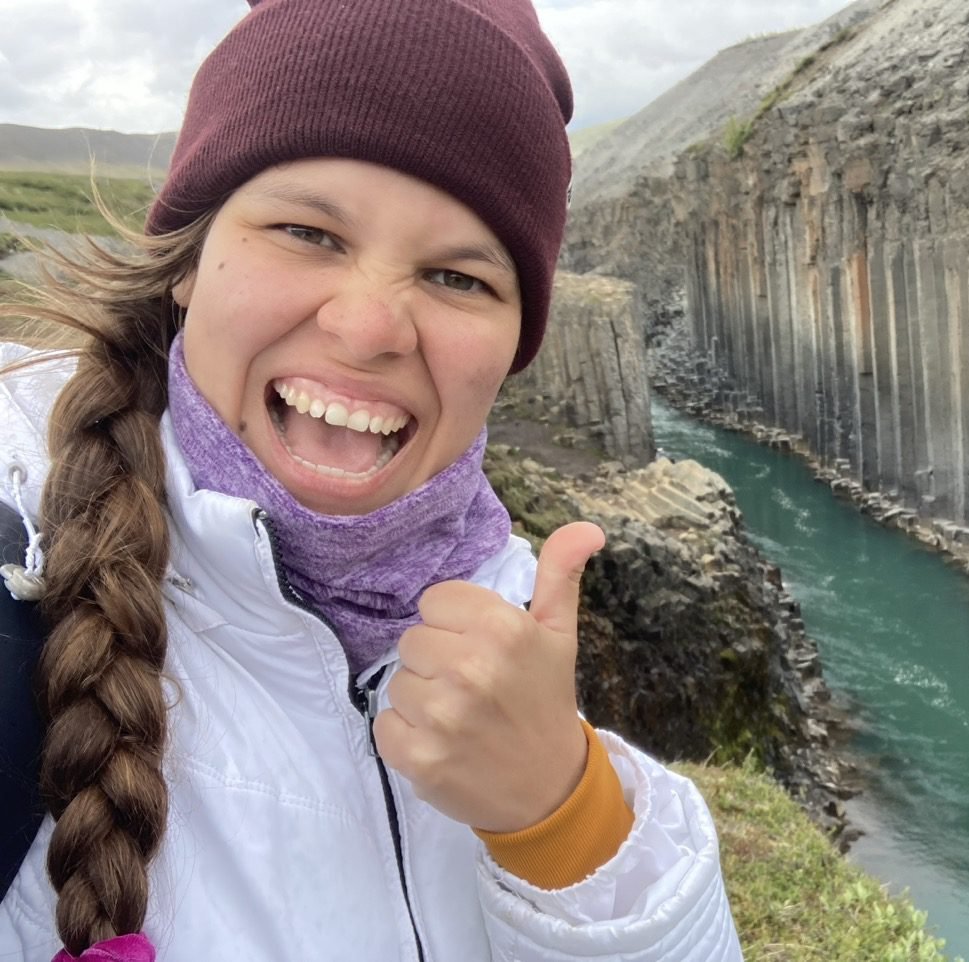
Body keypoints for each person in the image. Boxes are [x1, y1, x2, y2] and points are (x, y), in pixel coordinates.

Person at [0, 1, 742, 959]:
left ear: (514, 345)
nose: (368, 327)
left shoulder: (507, 609)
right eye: (309, 232)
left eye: (460, 278)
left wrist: (563, 816)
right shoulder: (19, 580)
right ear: (187, 259)